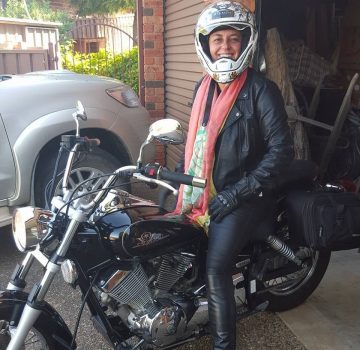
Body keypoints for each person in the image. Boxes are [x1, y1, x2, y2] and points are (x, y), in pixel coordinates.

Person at [173, 1, 294, 349]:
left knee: (216, 268)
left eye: (233, 39)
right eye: (217, 39)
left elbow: (281, 153)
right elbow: (199, 143)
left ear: (245, 44)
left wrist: (237, 192)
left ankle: (223, 345)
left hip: (248, 194)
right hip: (206, 191)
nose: (225, 47)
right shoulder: (202, 89)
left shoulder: (261, 90)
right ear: (206, 45)